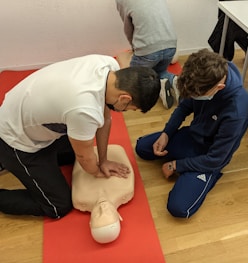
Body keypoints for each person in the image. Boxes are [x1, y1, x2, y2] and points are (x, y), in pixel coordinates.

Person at [0, 54, 160, 219]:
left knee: (76, 150)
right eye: (130, 108)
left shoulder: (108, 66)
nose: (126, 112)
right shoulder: (84, 109)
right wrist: (96, 171)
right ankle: (5, 162)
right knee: (58, 206)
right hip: (15, 140)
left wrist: (103, 160)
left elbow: (105, 119)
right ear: (124, 98)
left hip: (21, 113)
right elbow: (84, 156)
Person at [135, 49, 248, 218]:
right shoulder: (198, 78)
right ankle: (184, 164)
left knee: (179, 208)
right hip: (191, 137)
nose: (192, 97)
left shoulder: (237, 110)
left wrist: (176, 165)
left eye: (196, 96)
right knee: (142, 148)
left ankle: (203, 176)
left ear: (219, 88)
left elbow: (216, 159)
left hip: (209, 156)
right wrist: (166, 133)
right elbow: (183, 107)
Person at [115, 0, 179, 109]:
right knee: (160, 70)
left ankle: (158, 85)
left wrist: (134, 48)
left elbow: (128, 28)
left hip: (147, 50)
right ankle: (172, 80)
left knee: (132, 81)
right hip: (171, 46)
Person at [72, 144, 134, 243]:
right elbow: (122, 160)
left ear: (90, 222)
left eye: (98, 215)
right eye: (108, 213)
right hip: (102, 150)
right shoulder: (125, 189)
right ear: (119, 216)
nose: (103, 207)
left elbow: (77, 171)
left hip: (81, 151)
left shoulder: (79, 198)